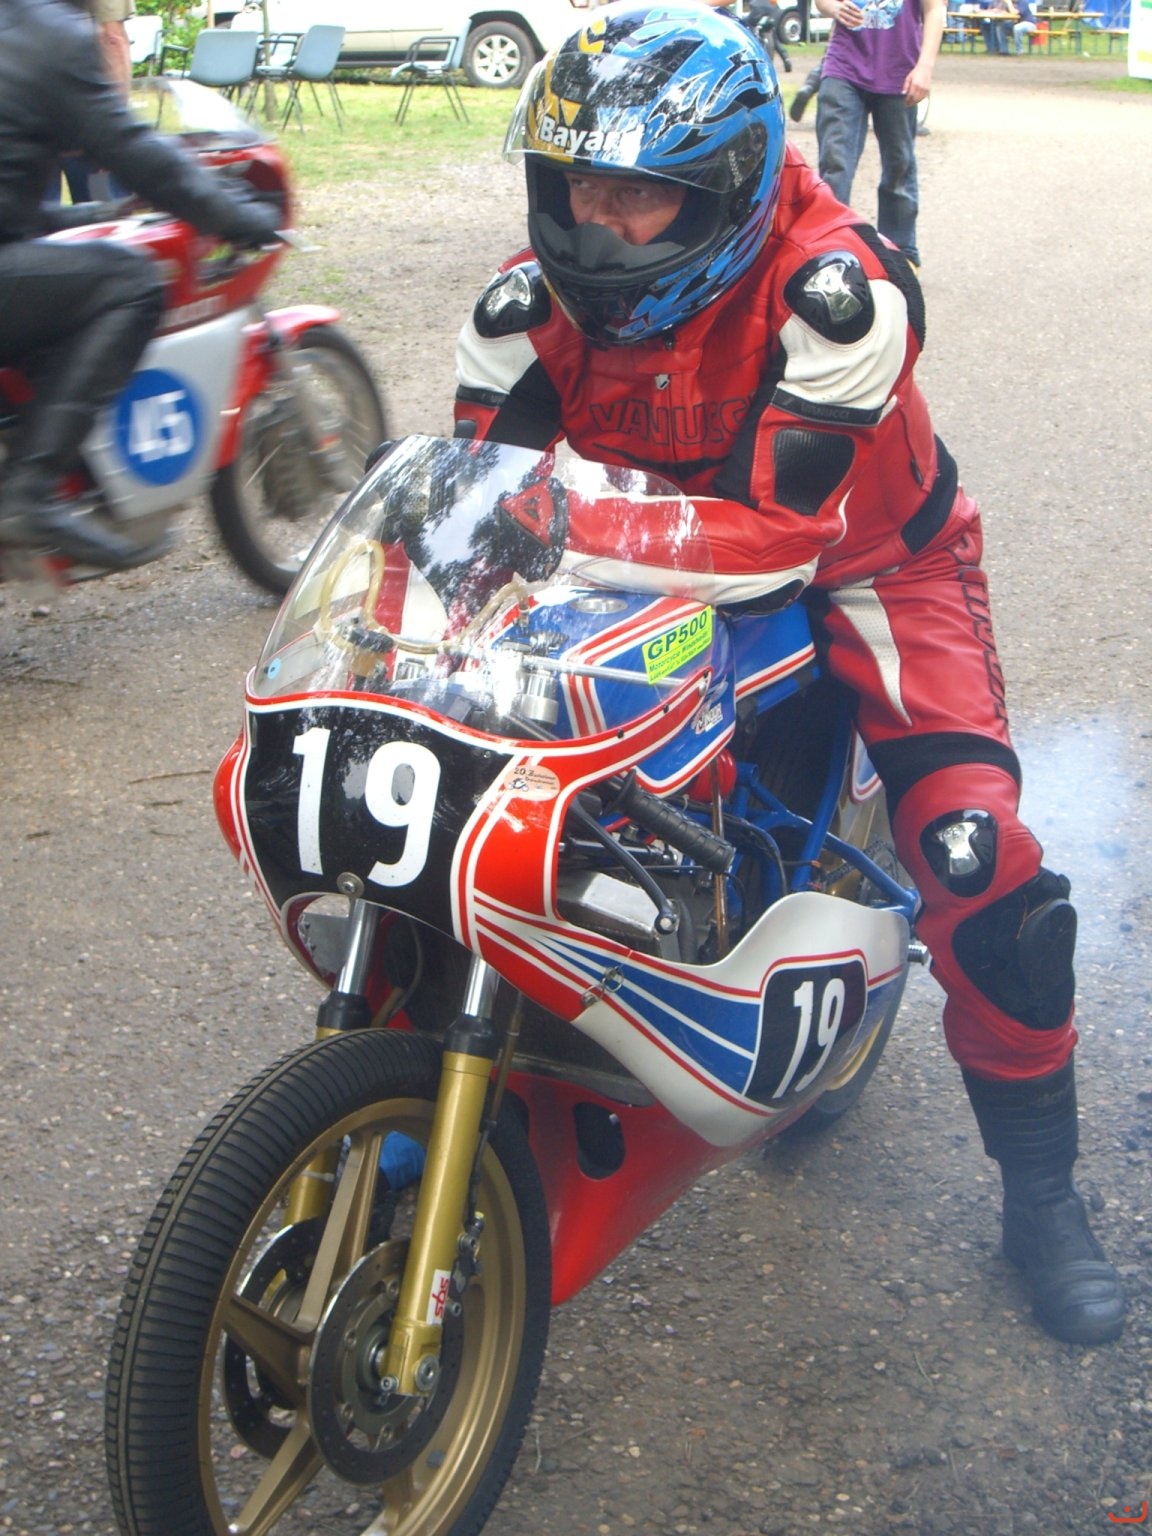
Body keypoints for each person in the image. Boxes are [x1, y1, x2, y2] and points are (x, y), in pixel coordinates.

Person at [453, 3, 1125, 1347]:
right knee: (477, 781)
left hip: (868, 566)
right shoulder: (523, 308)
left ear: (729, 184)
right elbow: (473, 514)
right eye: (578, 184)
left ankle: (1043, 1196)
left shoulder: (841, 290)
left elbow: (781, 537)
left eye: (640, 193)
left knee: (981, 862)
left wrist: (556, 527)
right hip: (631, 570)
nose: (597, 224)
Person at [0, 0, 282, 570]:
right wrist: (234, 215)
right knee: (131, 282)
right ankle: (29, 492)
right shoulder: (44, 32)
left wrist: (97, 214)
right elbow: (132, 149)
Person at [812, 0, 945, 271]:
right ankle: (830, 252)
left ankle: (900, 252)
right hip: (843, 66)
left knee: (899, 164)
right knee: (835, 164)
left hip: (900, 71)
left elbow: (935, 9)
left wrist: (925, 67)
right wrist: (834, 9)